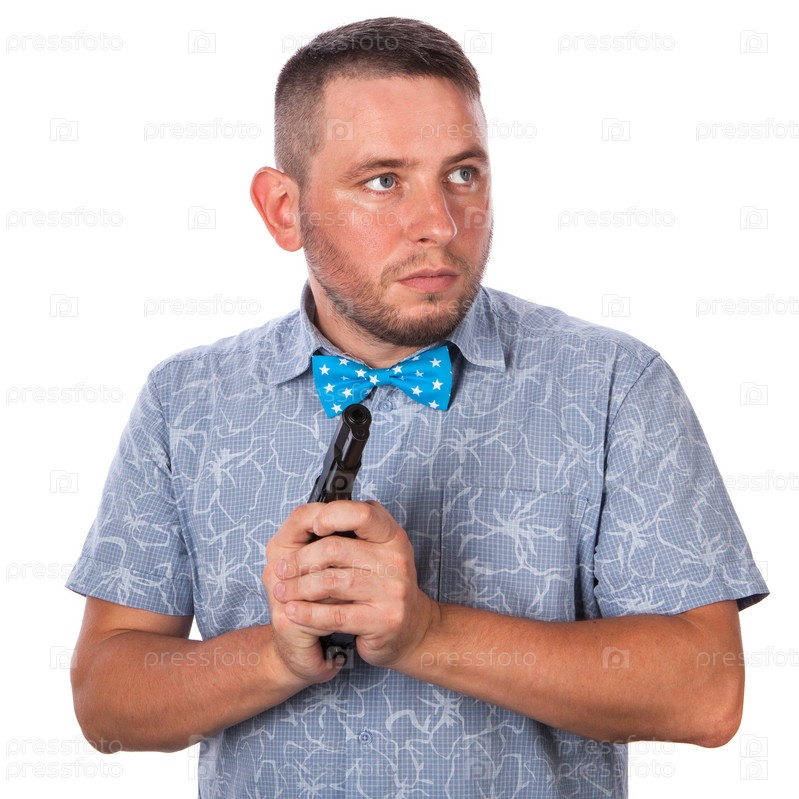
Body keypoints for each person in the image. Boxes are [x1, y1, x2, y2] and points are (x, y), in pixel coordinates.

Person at [66, 16, 768, 798]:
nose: (438, 224)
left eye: (462, 174)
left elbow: (705, 692)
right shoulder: (185, 401)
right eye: (383, 181)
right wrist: (273, 655)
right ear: (283, 209)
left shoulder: (613, 384)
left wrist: (428, 633)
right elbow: (105, 699)